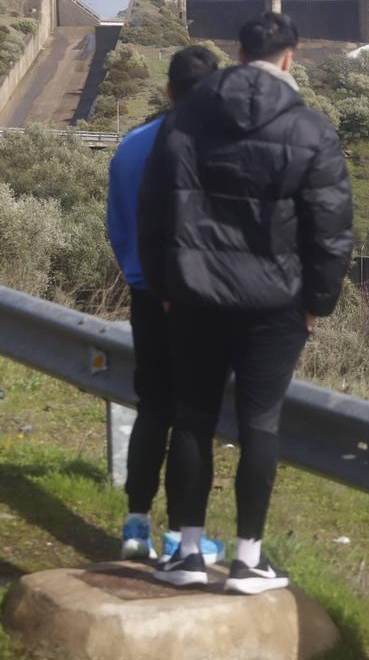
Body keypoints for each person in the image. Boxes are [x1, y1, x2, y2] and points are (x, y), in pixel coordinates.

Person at [138, 12, 353, 594]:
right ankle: (247, 560)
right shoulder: (311, 129)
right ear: (291, 57)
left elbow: (153, 211)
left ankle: (185, 554)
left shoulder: (184, 119)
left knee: (192, 419)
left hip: (194, 295)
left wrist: (163, 288)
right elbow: (330, 230)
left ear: (238, 53)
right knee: (260, 425)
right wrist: (318, 303)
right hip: (275, 304)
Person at [106, 45, 225, 566]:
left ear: (168, 90)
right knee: (194, 420)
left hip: (146, 294)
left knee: (152, 406)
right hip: (201, 300)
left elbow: (116, 230)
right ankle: (181, 539)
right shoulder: (219, 149)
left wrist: (139, 274)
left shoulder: (130, 147)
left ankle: (136, 524)